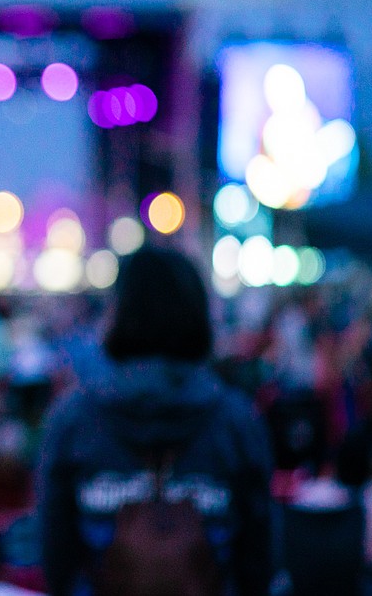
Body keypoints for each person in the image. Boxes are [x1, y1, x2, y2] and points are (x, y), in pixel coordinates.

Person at [36, 246, 273, 596]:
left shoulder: (72, 421)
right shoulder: (236, 421)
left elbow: (56, 557)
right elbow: (259, 559)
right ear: (198, 313)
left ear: (118, 313)